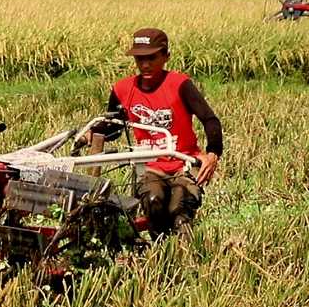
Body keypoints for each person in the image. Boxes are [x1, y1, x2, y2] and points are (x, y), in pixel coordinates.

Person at [90, 28, 222, 235]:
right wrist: (91, 133)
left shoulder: (180, 84)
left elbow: (210, 119)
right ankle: (160, 254)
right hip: (151, 165)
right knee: (154, 202)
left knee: (179, 211)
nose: (145, 65)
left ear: (166, 56)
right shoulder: (122, 89)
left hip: (183, 161)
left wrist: (213, 154)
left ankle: (186, 259)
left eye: (152, 58)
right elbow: (114, 126)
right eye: (140, 59)